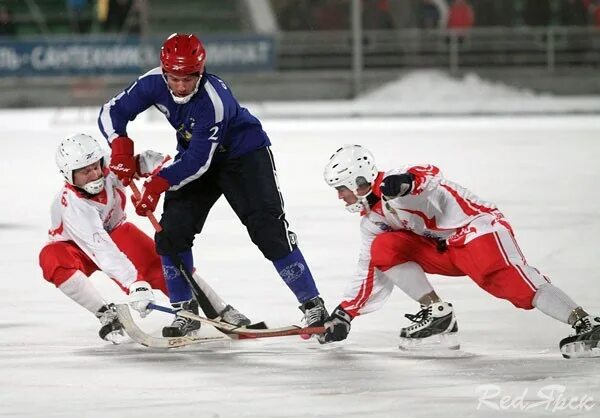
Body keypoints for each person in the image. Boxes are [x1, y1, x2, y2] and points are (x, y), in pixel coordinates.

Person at [98, 33, 328, 339]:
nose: (180, 86)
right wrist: (121, 148)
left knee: (268, 230)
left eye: (189, 78)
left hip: (243, 157)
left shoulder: (214, 99)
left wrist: (155, 187)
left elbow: (198, 162)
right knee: (171, 232)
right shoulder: (152, 82)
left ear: (201, 71)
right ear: (164, 71)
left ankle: (313, 304)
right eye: (174, 78)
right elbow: (111, 112)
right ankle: (185, 310)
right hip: (197, 157)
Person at [321, 144, 600, 358]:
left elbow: (430, 174)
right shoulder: (372, 218)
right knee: (383, 248)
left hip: (477, 230)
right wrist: (345, 314)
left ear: (359, 180)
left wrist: (407, 182)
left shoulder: (395, 183)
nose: (339, 196)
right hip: (445, 248)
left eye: (341, 188)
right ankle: (436, 312)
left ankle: (586, 323)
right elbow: (370, 265)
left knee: (511, 283)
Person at [39, 133, 252, 343]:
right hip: (75, 247)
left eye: (95, 166)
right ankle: (106, 314)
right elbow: (102, 250)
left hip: (116, 232)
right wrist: (135, 284)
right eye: (85, 172)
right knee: (53, 259)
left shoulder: (110, 165)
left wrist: (161, 174)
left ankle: (220, 309)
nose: (94, 175)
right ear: (68, 174)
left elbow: (146, 160)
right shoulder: (72, 205)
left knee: (162, 265)